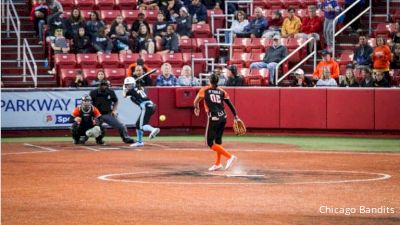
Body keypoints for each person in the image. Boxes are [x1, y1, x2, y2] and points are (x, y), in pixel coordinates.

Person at [193, 73, 240, 171]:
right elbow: (230, 105)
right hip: (223, 118)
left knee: (209, 143)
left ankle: (230, 156)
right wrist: (236, 117)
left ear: (209, 81)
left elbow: (195, 101)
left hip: (213, 118)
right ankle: (218, 163)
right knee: (218, 141)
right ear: (218, 81)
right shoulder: (222, 91)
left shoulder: (204, 90)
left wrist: (197, 108)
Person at [123, 77, 161, 147]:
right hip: (150, 106)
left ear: (133, 84)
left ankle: (153, 129)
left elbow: (124, 95)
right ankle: (139, 142)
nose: (128, 86)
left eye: (130, 85)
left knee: (141, 126)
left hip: (146, 106)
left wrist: (125, 88)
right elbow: (139, 90)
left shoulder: (131, 91)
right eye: (127, 85)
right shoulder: (139, 88)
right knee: (138, 124)